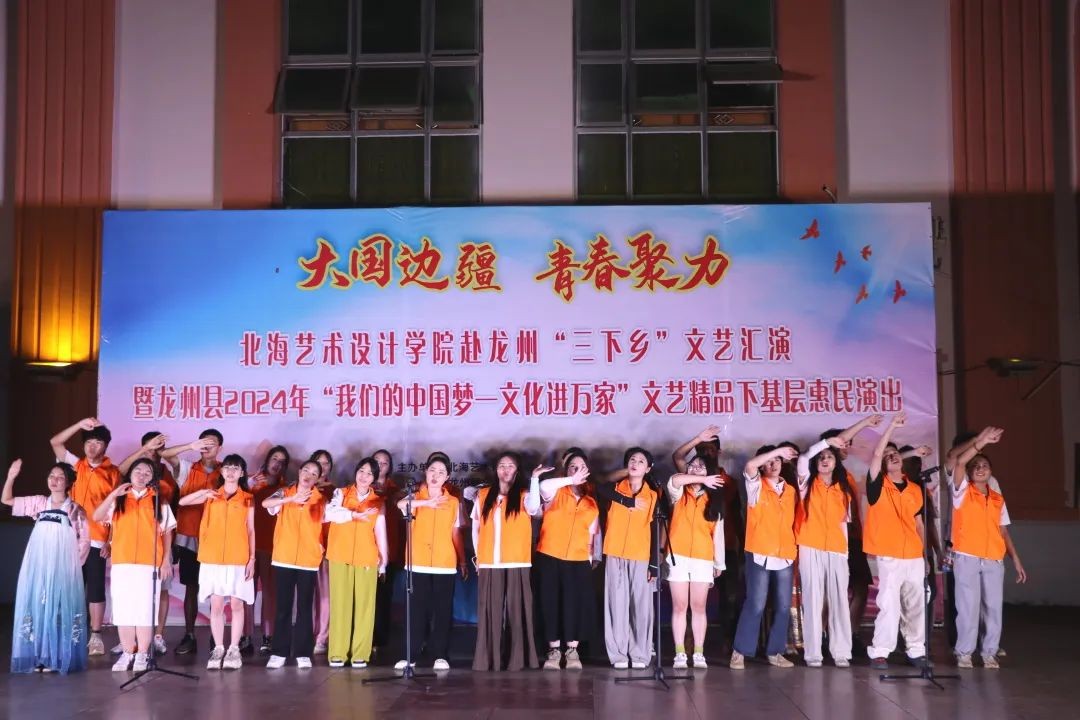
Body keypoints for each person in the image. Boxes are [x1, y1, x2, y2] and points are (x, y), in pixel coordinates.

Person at [950, 426, 1026, 669]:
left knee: (993, 608)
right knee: (968, 607)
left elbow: (1003, 530)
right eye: (976, 466)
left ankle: (989, 652)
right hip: (967, 556)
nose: (980, 468)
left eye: (984, 465)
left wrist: (1015, 559)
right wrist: (981, 442)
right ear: (969, 472)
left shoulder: (996, 498)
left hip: (993, 558)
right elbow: (959, 462)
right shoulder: (962, 492)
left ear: (991, 471)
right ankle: (964, 653)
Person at [4, 459, 89, 673]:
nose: (54, 480)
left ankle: (57, 656)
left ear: (68, 483)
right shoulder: (39, 502)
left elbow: (84, 541)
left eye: (60, 477)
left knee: (59, 608)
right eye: (51, 476)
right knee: (38, 606)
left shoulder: (75, 509)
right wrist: (11, 477)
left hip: (63, 568)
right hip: (39, 565)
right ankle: (38, 655)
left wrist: (73, 568)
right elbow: (6, 500)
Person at [93, 459, 176, 672]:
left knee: (145, 610)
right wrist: (114, 494)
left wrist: (165, 560)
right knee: (124, 610)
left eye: (147, 472)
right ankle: (128, 652)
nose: (141, 475)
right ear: (130, 474)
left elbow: (167, 532)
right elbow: (97, 516)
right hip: (122, 562)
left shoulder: (159, 500)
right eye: (137, 471)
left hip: (149, 564)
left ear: (152, 478)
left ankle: (142, 654)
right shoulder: (119, 499)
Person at [49, 417, 120, 657]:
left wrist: (110, 540)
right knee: (70, 588)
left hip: (98, 538)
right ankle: (73, 632)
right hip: (69, 537)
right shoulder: (75, 465)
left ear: (106, 446)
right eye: (88, 442)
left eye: (97, 442)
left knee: (95, 589)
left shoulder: (113, 472)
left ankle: (96, 636)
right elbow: (55, 442)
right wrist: (79, 425)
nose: (92, 446)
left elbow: (117, 509)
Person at [178, 453, 255, 670]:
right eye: (227, 467)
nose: (231, 472)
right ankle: (219, 647)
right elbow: (182, 502)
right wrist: (202, 493)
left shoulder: (248, 498)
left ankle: (234, 649)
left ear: (241, 473)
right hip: (212, 558)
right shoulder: (211, 495)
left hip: (238, 558)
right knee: (217, 605)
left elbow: (251, 529)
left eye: (236, 468)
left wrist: (252, 558)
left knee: (237, 604)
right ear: (222, 471)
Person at [864, 412, 928, 670]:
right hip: (889, 554)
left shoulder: (915, 489)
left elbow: (919, 524)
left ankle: (916, 650)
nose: (892, 456)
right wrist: (891, 427)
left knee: (916, 604)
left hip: (913, 554)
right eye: (888, 454)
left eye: (896, 453)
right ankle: (880, 651)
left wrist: (924, 556)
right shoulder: (877, 485)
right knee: (888, 604)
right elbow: (877, 455)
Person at [730, 444, 800, 670]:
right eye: (769, 460)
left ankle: (775, 651)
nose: (773, 464)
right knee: (756, 604)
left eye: (777, 460)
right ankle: (740, 651)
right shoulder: (756, 486)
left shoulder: (790, 490)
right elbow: (750, 466)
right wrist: (776, 452)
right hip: (759, 552)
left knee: (783, 606)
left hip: (785, 554)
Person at [395, 451, 467, 671]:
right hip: (417, 561)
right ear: (425, 472)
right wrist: (426, 503)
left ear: (447, 477)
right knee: (416, 611)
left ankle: (440, 655)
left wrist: (462, 561)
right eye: (432, 470)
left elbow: (455, 532)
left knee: (442, 611)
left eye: (441, 472)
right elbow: (400, 505)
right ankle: (410, 655)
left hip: (444, 563)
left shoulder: (453, 502)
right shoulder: (414, 497)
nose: (436, 475)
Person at [471, 451, 542, 671]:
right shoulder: (483, 495)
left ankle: (517, 660)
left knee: (517, 612)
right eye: (502, 465)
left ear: (517, 471)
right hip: (489, 562)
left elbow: (534, 508)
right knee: (489, 613)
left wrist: (535, 479)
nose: (506, 470)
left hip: (517, 562)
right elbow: (476, 528)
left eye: (510, 466)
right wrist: (478, 557)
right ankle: (488, 659)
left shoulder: (524, 495)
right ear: (496, 470)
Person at [162, 429, 224, 656]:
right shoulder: (187, 468)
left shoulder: (225, 470)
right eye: (204, 442)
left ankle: (216, 638)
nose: (207, 446)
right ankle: (189, 635)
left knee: (216, 589)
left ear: (220, 448)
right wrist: (190, 446)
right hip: (189, 536)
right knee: (191, 587)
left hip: (216, 538)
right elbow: (165, 454)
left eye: (212, 443)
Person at [795, 435, 854, 667]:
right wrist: (826, 443)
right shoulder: (807, 484)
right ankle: (813, 654)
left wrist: (845, 553)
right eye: (821, 457)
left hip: (837, 549)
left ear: (836, 463)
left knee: (839, 599)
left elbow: (843, 524)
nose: (825, 460)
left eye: (829, 456)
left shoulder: (843, 489)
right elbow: (803, 459)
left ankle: (841, 652)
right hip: (810, 545)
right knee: (812, 599)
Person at [114, 431, 176, 656]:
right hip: (126, 553)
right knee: (127, 600)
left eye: (158, 446)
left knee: (156, 595)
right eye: (150, 445)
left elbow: (167, 524)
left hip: (156, 546)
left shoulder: (165, 474)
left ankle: (154, 638)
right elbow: (119, 472)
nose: (142, 474)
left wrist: (166, 557)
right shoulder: (125, 486)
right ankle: (129, 644)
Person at [262, 459, 327, 669]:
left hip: (308, 560)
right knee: (283, 606)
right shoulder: (285, 492)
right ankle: (279, 652)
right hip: (284, 558)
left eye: (314, 473)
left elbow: (333, 520)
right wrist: (291, 499)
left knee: (305, 608)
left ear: (318, 479)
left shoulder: (321, 500)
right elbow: (266, 504)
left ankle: (303, 652)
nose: (308, 475)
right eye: (306, 470)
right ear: (299, 472)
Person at [536, 449, 597, 671]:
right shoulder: (555, 492)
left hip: (578, 560)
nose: (577, 471)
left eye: (582, 467)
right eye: (573, 467)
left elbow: (592, 534)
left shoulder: (591, 502)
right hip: (550, 555)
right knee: (550, 602)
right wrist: (571, 480)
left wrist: (590, 559)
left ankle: (572, 650)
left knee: (574, 604)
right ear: (566, 470)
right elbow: (543, 486)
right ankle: (553, 650)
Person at [324, 457, 387, 668]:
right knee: (340, 604)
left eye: (369, 473)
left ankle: (361, 653)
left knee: (365, 607)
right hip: (339, 554)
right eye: (361, 471)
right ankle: (337, 652)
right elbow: (329, 513)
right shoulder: (341, 493)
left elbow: (381, 533)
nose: (364, 476)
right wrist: (353, 515)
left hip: (366, 556)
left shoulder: (378, 501)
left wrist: (383, 562)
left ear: (374, 478)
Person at [666, 453, 726, 670]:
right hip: (677, 556)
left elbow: (717, 534)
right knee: (679, 606)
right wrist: (702, 478)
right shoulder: (679, 492)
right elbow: (675, 480)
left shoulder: (714, 500)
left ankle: (699, 652)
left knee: (699, 607)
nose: (695, 469)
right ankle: (680, 652)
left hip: (702, 558)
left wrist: (719, 562)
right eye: (692, 465)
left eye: (701, 466)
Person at [602, 447, 659, 670]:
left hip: (640, 556)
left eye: (641, 461)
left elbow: (655, 530)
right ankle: (618, 654)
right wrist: (626, 501)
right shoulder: (615, 489)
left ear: (648, 468)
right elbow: (599, 485)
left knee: (641, 607)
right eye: (632, 460)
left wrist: (654, 563)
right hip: (615, 553)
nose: (635, 463)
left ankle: (640, 654)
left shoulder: (653, 496)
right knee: (616, 605)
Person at [248, 445, 289, 653]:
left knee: (270, 594)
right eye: (274, 458)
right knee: (247, 593)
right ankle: (245, 635)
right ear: (267, 460)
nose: (277, 464)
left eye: (282, 461)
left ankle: (268, 635)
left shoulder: (286, 490)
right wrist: (249, 485)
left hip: (272, 547)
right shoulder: (250, 483)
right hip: (248, 546)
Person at [372, 448, 402, 655]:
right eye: (377, 461)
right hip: (365, 551)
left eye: (385, 462)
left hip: (388, 551)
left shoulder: (395, 491)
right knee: (366, 597)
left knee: (383, 596)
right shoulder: (362, 487)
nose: (381, 466)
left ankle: (380, 638)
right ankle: (365, 637)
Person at [308, 449, 335, 655]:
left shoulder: (335, 491)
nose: (322, 467)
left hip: (326, 547)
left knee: (325, 596)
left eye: (326, 463)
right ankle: (308, 633)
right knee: (307, 596)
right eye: (318, 463)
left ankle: (322, 637)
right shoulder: (301, 489)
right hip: (304, 548)